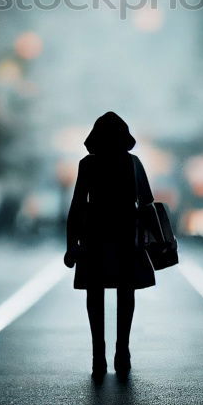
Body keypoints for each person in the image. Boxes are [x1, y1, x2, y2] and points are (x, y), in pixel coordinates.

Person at [64, 111, 156, 378]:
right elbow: (148, 204)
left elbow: (77, 206)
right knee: (126, 293)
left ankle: (98, 357)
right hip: (127, 234)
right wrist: (157, 240)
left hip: (94, 236)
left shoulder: (88, 165)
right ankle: (122, 352)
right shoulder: (133, 163)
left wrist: (71, 243)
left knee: (95, 295)